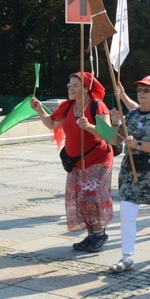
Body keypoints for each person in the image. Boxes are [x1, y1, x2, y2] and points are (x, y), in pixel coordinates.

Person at [31, 72, 113, 252]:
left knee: (89, 195)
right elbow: (52, 124)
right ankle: (91, 236)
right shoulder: (68, 107)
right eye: (70, 86)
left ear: (86, 88)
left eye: (75, 85)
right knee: (78, 199)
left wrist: (90, 127)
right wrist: (39, 110)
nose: (71, 89)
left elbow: (108, 135)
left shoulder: (97, 106)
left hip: (98, 160)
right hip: (76, 164)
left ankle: (100, 234)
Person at [108, 75, 150, 273]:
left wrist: (137, 144)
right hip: (132, 170)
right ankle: (127, 257)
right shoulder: (131, 115)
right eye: (139, 90)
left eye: (147, 90)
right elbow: (115, 140)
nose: (141, 93)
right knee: (127, 214)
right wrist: (114, 123)